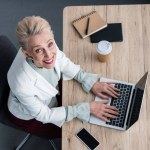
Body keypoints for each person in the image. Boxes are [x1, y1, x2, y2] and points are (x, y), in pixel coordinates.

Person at [7, 16, 119, 138]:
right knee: (71, 131)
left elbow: (61, 60)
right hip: (32, 116)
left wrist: (86, 79)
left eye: (50, 44)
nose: (49, 54)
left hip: (49, 94)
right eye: (39, 50)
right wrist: (82, 109)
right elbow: (45, 115)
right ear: (27, 53)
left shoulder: (44, 40)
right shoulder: (21, 85)